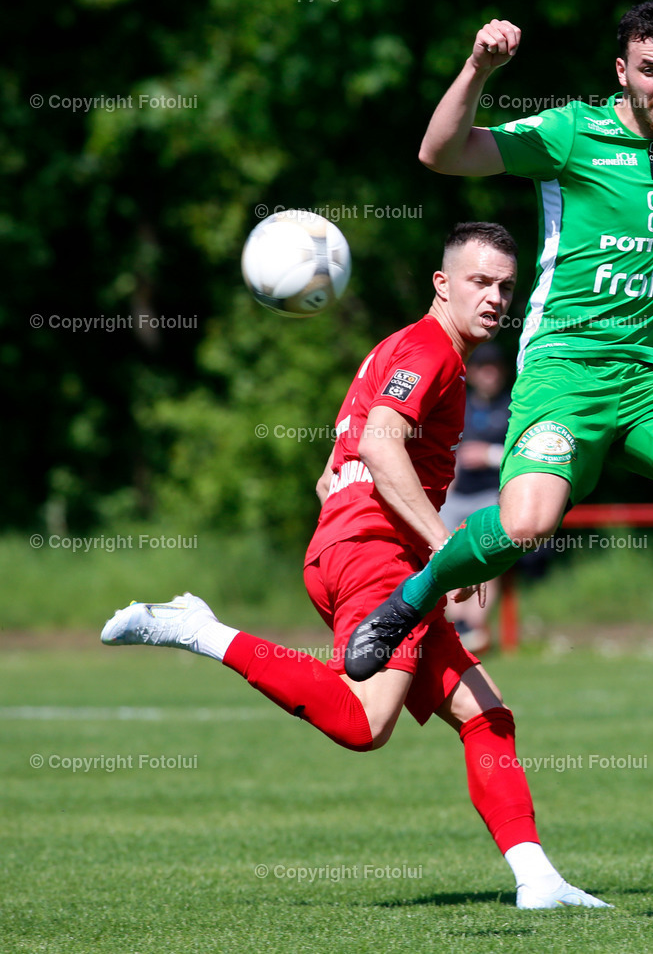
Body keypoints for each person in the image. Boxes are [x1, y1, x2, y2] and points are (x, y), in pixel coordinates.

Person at [101, 222, 610, 909]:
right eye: (479, 283)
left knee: (487, 715)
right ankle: (200, 631)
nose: (495, 299)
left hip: (354, 546)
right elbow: (378, 441)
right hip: (377, 557)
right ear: (442, 284)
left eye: (506, 287)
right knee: (367, 725)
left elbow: (330, 472)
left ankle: (538, 881)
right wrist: (441, 542)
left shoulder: (398, 351)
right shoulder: (428, 350)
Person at [348, 0, 653, 714]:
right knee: (526, 525)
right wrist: (479, 68)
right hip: (565, 373)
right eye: (651, 71)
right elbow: (442, 153)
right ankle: (410, 601)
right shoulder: (571, 132)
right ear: (622, 72)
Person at [438, 341, 513, 653]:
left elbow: (527, 453)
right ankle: (458, 627)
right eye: (483, 367)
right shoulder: (460, 404)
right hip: (456, 495)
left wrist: (489, 455)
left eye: (494, 367)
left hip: (492, 494)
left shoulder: (514, 406)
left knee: (485, 558)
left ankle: (475, 627)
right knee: (446, 555)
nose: (489, 373)